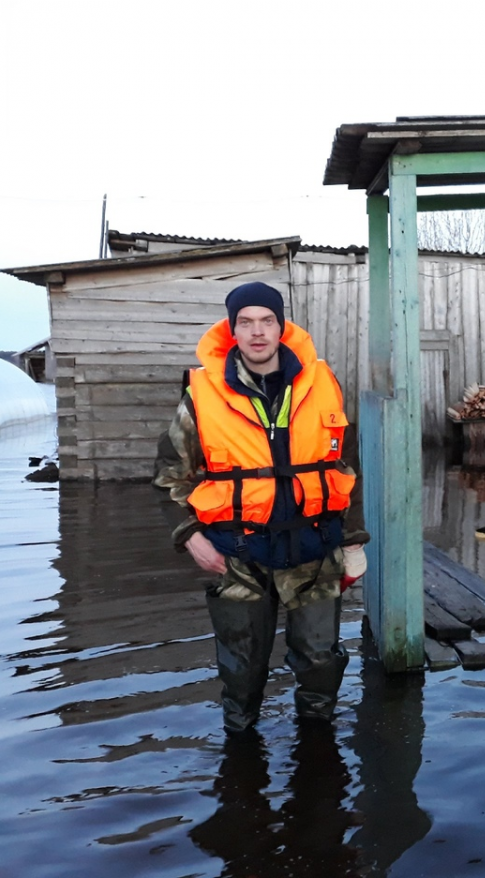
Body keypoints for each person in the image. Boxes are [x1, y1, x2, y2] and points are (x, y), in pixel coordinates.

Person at [154, 281, 369, 732]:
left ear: (281, 327)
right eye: (246, 322)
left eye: (267, 321)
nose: (257, 332)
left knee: (320, 663)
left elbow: (345, 468)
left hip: (314, 552)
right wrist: (189, 536)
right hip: (238, 556)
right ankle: (241, 763)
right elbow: (169, 478)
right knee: (242, 671)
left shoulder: (324, 384)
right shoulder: (200, 396)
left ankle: (317, 754)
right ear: (232, 331)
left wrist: (353, 540)